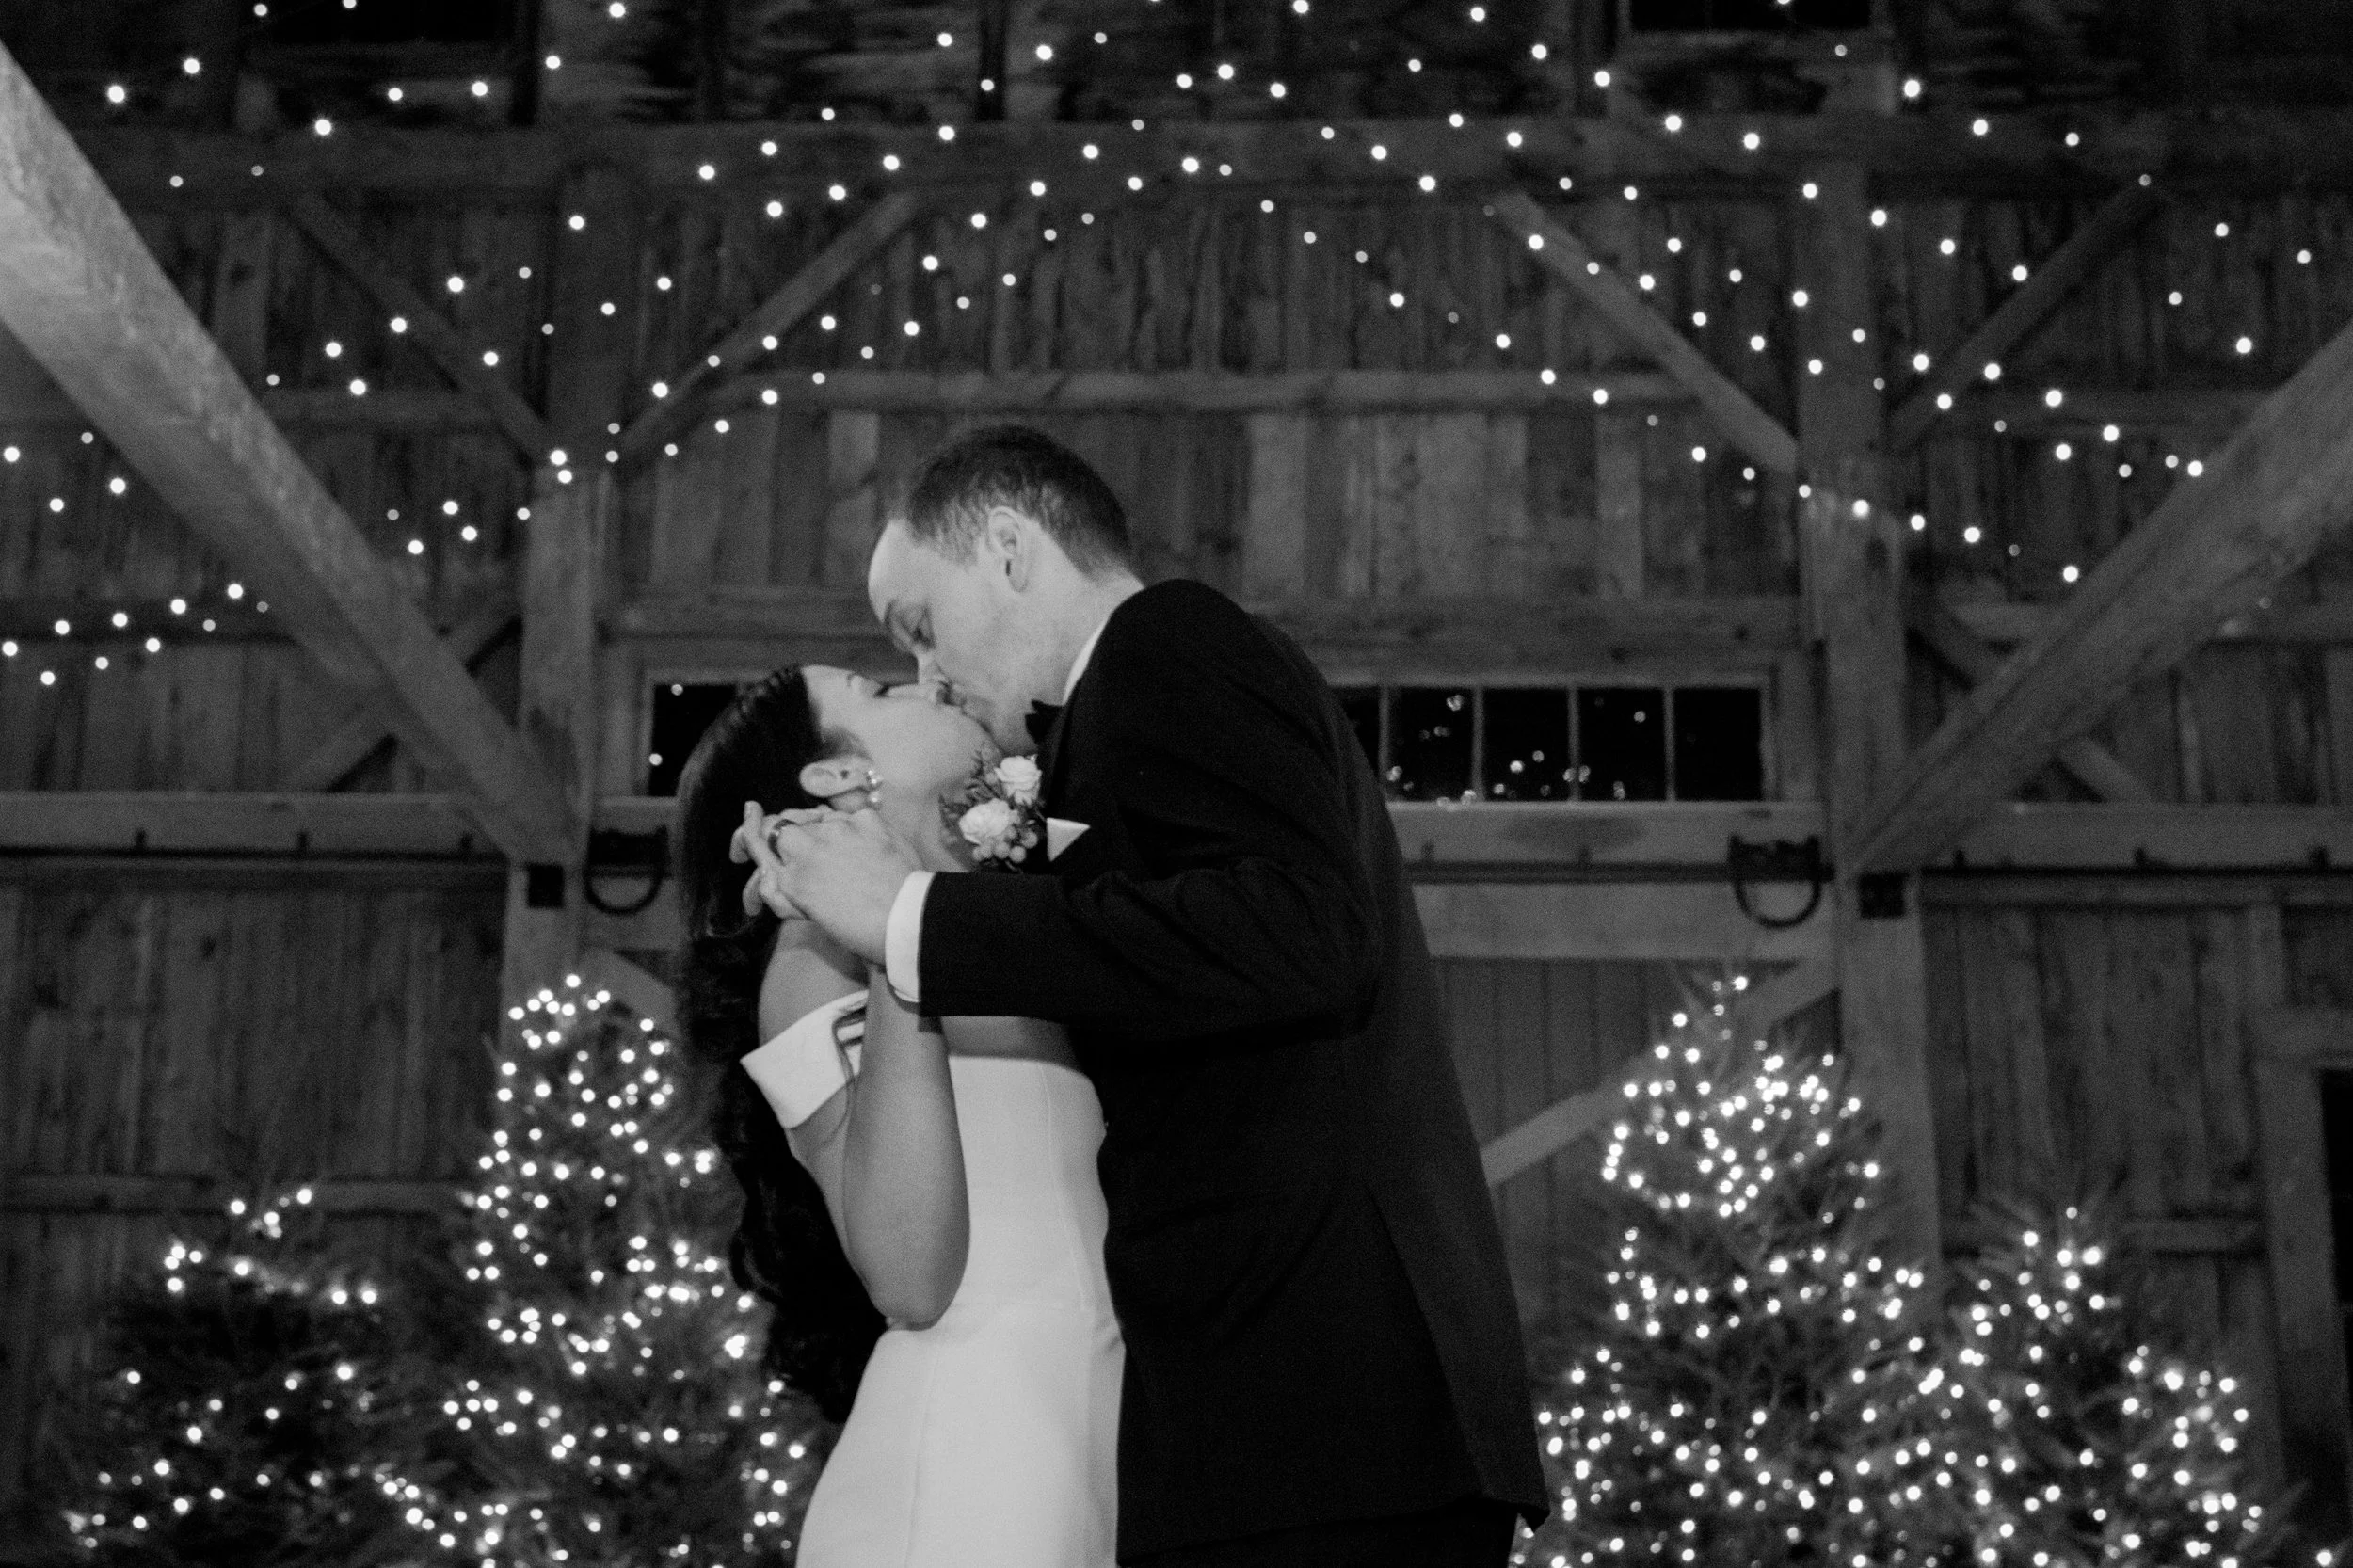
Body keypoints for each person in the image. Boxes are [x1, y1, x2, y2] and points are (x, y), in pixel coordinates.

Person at [744, 424, 1551, 1568]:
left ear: (1012, 551)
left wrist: (910, 919)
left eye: (919, 630)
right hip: (1259, 1418)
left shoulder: (1164, 642)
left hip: (1316, 1402)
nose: (927, 675)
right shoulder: (1086, 739)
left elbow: (1305, 932)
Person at [675, 666, 1123, 1568]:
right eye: (880, 694)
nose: (930, 686)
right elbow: (913, 1277)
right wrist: (887, 942)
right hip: (962, 1478)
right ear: (834, 778)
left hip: (1092, 1458)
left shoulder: (1003, 919)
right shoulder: (815, 962)